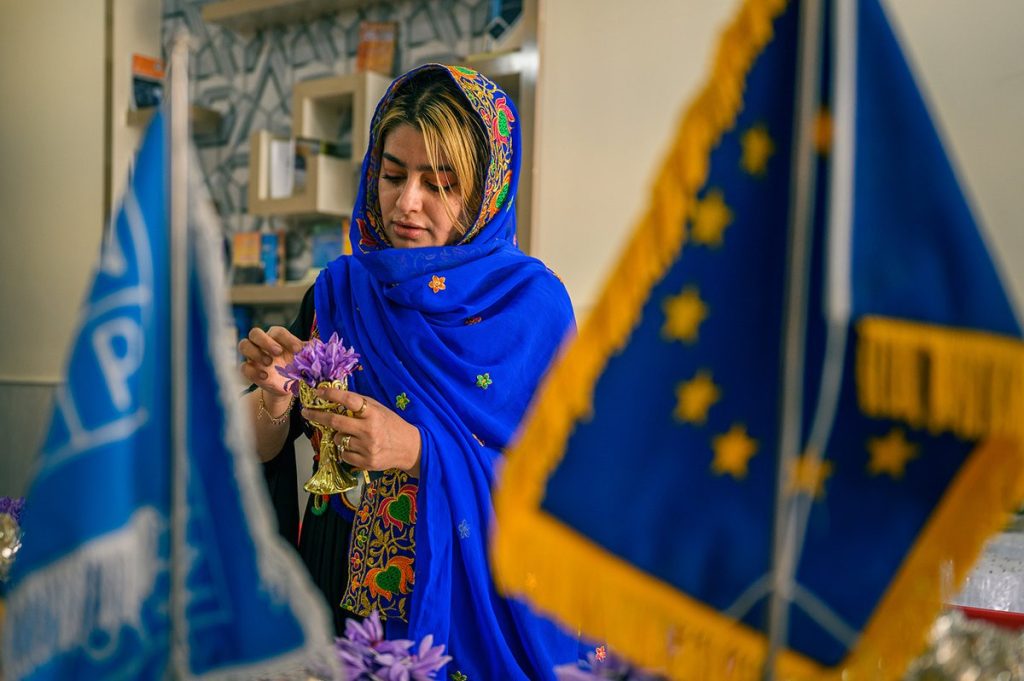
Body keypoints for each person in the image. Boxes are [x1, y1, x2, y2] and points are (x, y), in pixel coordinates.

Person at [238, 63, 578, 679]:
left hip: (468, 615)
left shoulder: (533, 310)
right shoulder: (341, 291)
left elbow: (567, 493)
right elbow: (262, 445)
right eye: (392, 175)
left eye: (440, 184)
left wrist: (418, 450)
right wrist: (274, 400)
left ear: (487, 192)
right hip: (338, 593)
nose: (407, 202)